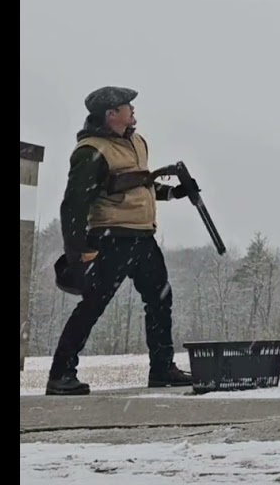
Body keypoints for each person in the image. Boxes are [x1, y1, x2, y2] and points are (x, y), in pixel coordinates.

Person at [46, 86, 196, 396]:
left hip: (143, 236)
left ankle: (162, 369)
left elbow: (141, 185)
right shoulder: (91, 151)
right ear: (111, 114)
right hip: (110, 238)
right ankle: (61, 375)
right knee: (93, 305)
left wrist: (171, 192)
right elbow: (73, 204)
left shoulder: (137, 142)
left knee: (160, 299)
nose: (134, 112)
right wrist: (80, 253)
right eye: (128, 107)